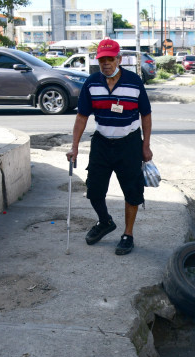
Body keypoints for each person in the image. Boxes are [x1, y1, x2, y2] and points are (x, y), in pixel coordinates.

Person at [65, 39, 153, 256]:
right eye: (102, 59)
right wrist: (74, 147)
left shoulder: (134, 82)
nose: (106, 63)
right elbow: (81, 116)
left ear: (119, 60)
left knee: (132, 191)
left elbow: (146, 114)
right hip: (102, 143)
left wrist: (146, 145)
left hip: (129, 143)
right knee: (94, 189)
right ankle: (105, 221)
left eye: (110, 59)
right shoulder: (92, 83)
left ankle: (128, 234)